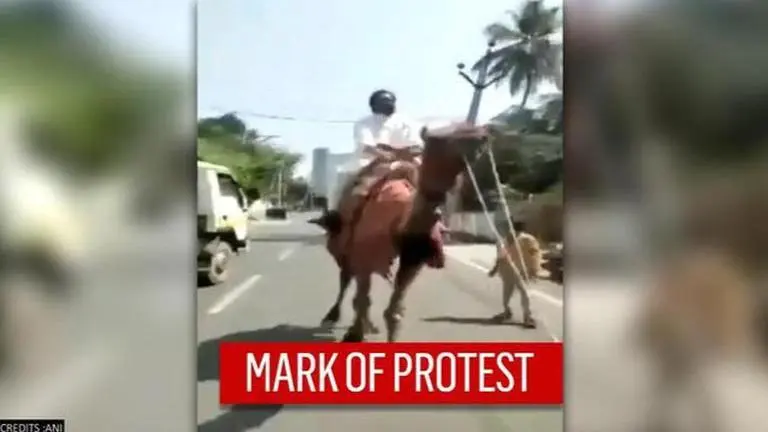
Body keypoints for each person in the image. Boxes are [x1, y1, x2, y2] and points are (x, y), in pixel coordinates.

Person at [311, 90, 422, 232]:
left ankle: (434, 215)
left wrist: (398, 154)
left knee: (429, 185)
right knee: (344, 183)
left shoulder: (406, 122)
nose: (386, 106)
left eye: (388, 103)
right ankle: (335, 217)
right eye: (382, 103)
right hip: (371, 163)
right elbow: (366, 147)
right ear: (374, 106)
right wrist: (387, 154)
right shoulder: (364, 123)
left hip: (405, 162)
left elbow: (416, 146)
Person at [486, 220, 544, 328]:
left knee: (521, 293)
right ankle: (511, 312)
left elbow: (534, 255)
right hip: (511, 272)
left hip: (518, 271)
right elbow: (500, 257)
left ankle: (525, 316)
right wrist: (494, 269)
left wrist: (534, 269)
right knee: (512, 293)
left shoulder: (526, 240)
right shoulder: (505, 241)